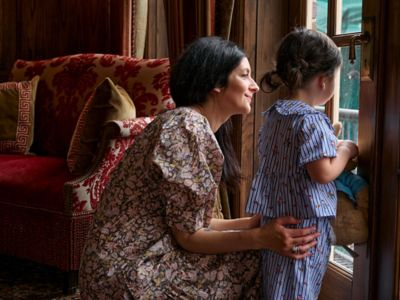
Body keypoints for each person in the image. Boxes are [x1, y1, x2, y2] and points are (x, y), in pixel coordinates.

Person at [79, 36, 320, 299]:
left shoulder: (188, 124)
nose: (255, 87)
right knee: (254, 259)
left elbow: (192, 224)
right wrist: (261, 237)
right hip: (127, 274)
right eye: (245, 75)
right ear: (216, 83)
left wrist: (251, 224)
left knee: (257, 248)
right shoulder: (186, 127)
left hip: (126, 262)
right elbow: (189, 237)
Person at [246, 27, 359, 299]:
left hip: (277, 216)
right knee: (300, 287)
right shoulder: (312, 120)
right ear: (323, 80)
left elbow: (293, 158)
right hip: (304, 225)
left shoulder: (275, 115)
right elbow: (322, 172)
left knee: (277, 286)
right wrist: (346, 150)